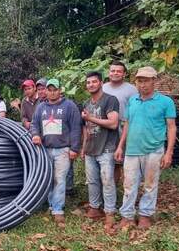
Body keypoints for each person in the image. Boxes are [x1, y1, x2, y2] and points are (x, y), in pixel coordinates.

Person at [114, 67, 177, 230]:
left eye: (146, 80)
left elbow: (171, 127)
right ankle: (127, 216)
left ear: (154, 81)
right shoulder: (132, 101)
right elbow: (126, 124)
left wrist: (169, 152)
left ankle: (145, 216)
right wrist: (120, 146)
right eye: (140, 81)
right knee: (129, 184)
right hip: (132, 150)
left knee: (150, 185)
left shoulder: (166, 102)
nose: (143, 84)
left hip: (154, 150)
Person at [31, 79, 81, 228]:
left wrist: (74, 148)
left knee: (59, 179)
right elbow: (34, 124)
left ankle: (58, 210)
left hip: (63, 150)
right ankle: (52, 206)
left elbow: (76, 128)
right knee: (48, 179)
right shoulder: (41, 108)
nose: (52, 92)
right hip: (45, 149)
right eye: (49, 89)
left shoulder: (69, 106)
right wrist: (35, 134)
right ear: (45, 91)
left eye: (55, 90)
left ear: (60, 91)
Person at [80, 72, 120, 233]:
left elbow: (113, 123)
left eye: (94, 82)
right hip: (90, 148)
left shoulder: (110, 100)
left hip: (106, 148)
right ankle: (94, 208)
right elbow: (86, 129)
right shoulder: (86, 102)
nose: (91, 84)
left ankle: (110, 212)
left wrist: (91, 118)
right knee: (92, 181)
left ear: (101, 83)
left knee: (107, 181)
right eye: (88, 82)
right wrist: (83, 147)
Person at [102, 61, 138, 183]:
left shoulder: (132, 90)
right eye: (113, 70)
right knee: (108, 160)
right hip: (104, 128)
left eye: (119, 71)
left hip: (124, 128)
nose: (115, 73)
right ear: (109, 72)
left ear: (124, 74)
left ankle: (122, 188)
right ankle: (110, 190)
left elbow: (135, 111)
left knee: (122, 161)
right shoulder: (103, 88)